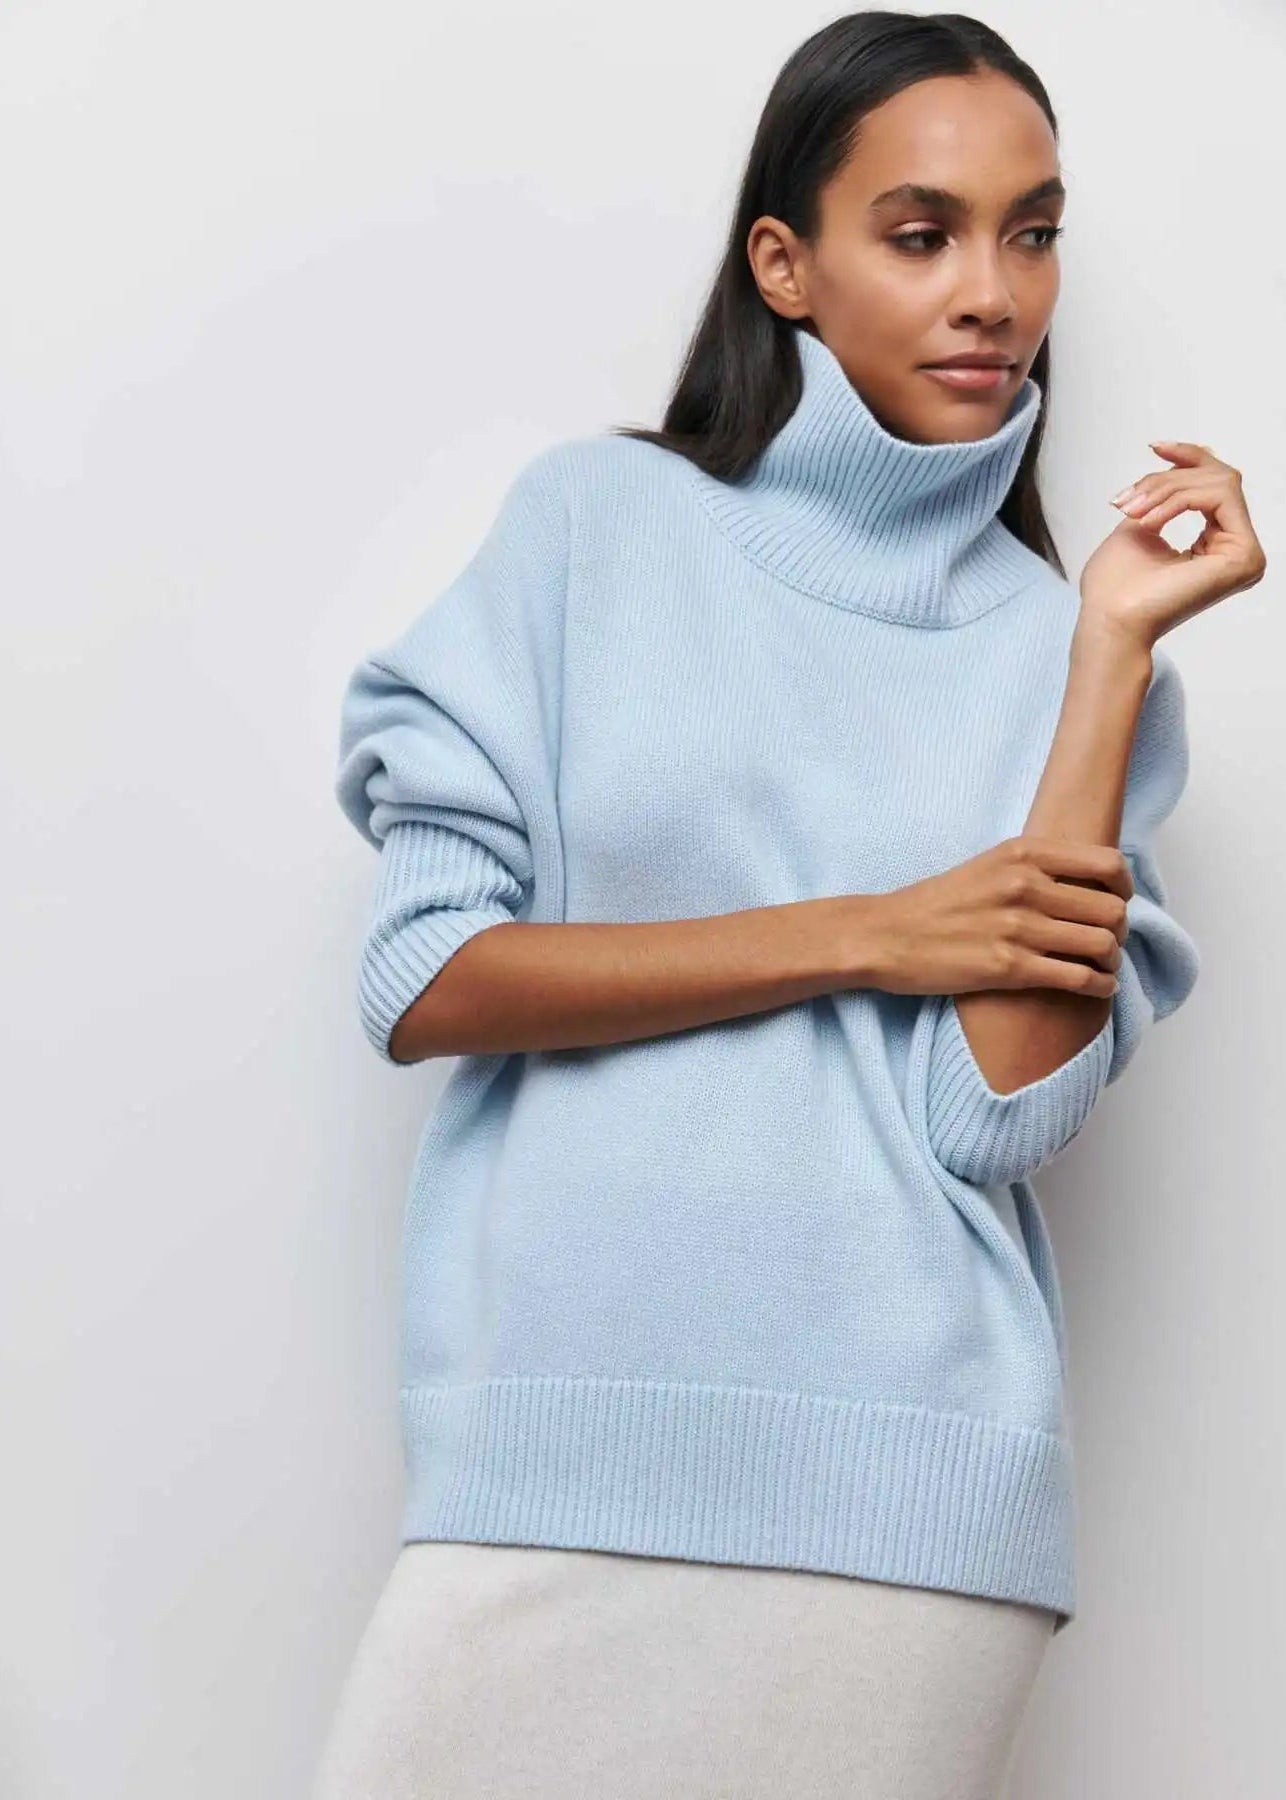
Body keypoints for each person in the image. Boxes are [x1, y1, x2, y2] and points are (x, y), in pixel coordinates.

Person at [311, 12, 1264, 1799]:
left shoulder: (1064, 652)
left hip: (905, 1487)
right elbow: (426, 976)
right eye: (920, 233)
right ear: (785, 264)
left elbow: (995, 1118)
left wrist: (1107, 648)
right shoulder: (595, 526)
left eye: (1031, 234)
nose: (990, 292)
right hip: (552, 1442)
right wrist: (866, 932)